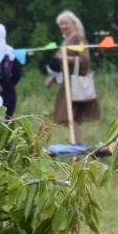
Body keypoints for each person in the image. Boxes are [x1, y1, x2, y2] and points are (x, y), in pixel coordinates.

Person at [46, 11, 100, 142]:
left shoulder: (79, 38)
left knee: (69, 116)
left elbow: (84, 59)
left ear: (74, 24)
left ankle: (77, 145)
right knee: (67, 116)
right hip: (66, 83)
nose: (63, 26)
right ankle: (77, 144)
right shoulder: (66, 40)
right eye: (61, 24)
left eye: (66, 23)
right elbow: (61, 63)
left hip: (75, 82)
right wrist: (52, 78)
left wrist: (66, 57)